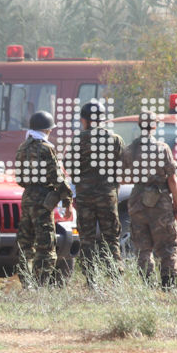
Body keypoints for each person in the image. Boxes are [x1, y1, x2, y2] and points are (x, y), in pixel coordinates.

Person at [123, 110, 177, 290]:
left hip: (137, 200)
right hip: (160, 201)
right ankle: (168, 285)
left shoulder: (130, 149)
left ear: (139, 125)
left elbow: (123, 175)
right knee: (168, 245)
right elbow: (172, 179)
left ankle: (147, 284)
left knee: (143, 246)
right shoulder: (162, 148)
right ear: (155, 125)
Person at [67, 100, 124, 285]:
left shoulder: (78, 140)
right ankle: (116, 278)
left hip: (85, 197)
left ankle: (92, 281)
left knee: (87, 239)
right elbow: (123, 164)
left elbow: (69, 166)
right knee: (111, 238)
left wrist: (82, 178)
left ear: (84, 120)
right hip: (108, 195)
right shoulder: (115, 139)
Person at [14, 110, 73, 286]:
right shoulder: (46, 149)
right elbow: (57, 177)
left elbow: (20, 179)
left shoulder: (22, 147)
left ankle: (26, 284)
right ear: (47, 129)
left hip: (27, 198)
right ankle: (41, 284)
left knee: (25, 243)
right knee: (46, 245)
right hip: (43, 201)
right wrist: (67, 199)